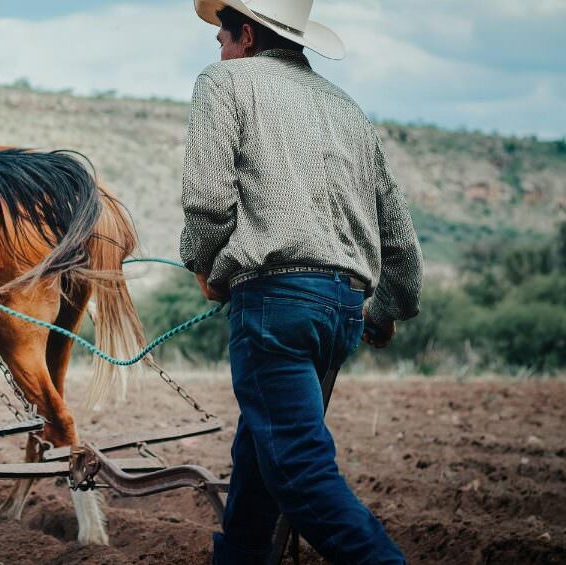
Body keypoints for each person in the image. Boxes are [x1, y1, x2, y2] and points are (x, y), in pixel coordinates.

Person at [180, 1, 423, 563]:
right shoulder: (347, 108)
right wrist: (384, 309)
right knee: (259, 465)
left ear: (245, 35)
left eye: (221, 34)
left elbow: (210, 203)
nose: (216, 46)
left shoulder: (225, 81)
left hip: (275, 307)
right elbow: (400, 239)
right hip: (342, 310)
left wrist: (204, 267)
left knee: (297, 469)